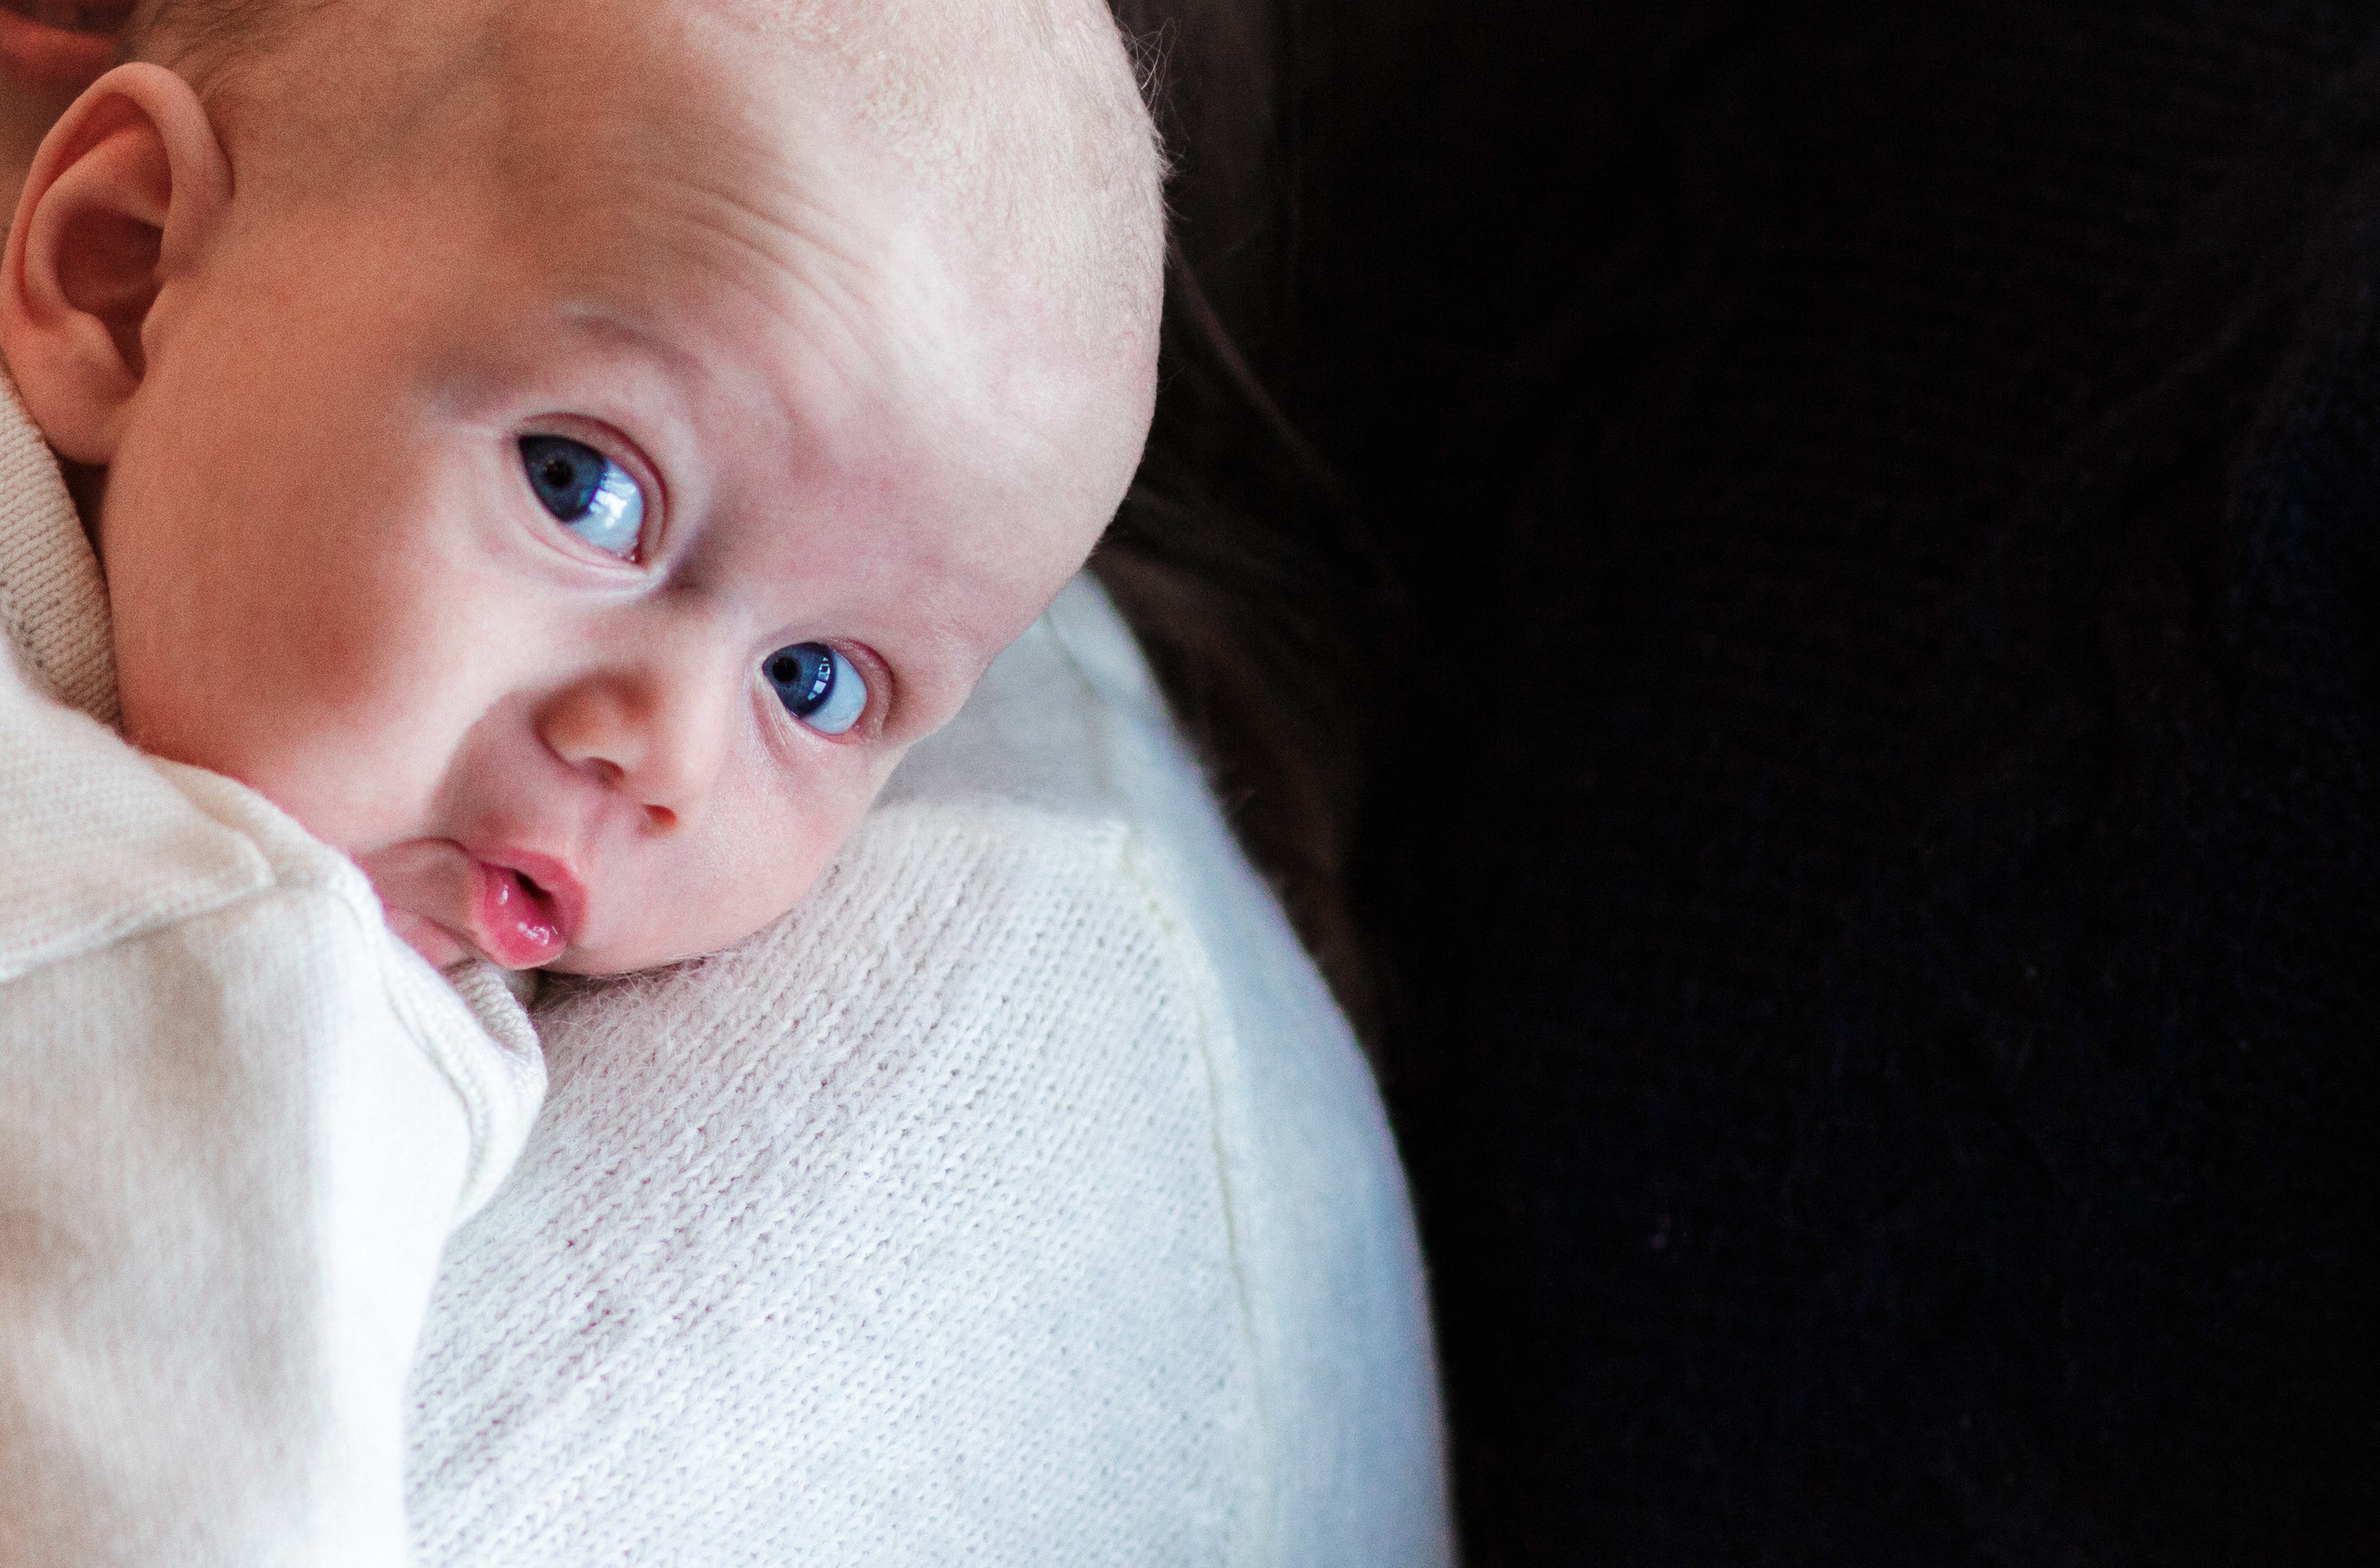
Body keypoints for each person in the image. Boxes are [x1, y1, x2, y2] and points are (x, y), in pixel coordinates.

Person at [0, 0, 1165, 1557]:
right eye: (589, 488)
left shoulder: (241, 1012)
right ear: (125, 276)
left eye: (815, 686)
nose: (665, 755)